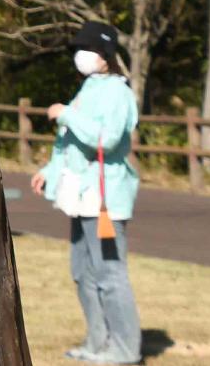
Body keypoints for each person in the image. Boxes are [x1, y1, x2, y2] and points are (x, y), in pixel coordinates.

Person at [32, 21, 143, 364]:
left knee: (110, 274)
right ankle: (97, 343)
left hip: (104, 199)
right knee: (83, 273)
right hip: (81, 197)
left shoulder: (118, 92)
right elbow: (70, 146)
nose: (81, 55)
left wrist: (66, 115)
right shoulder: (90, 88)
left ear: (106, 54)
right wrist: (49, 171)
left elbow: (107, 139)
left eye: (89, 49)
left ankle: (125, 350)